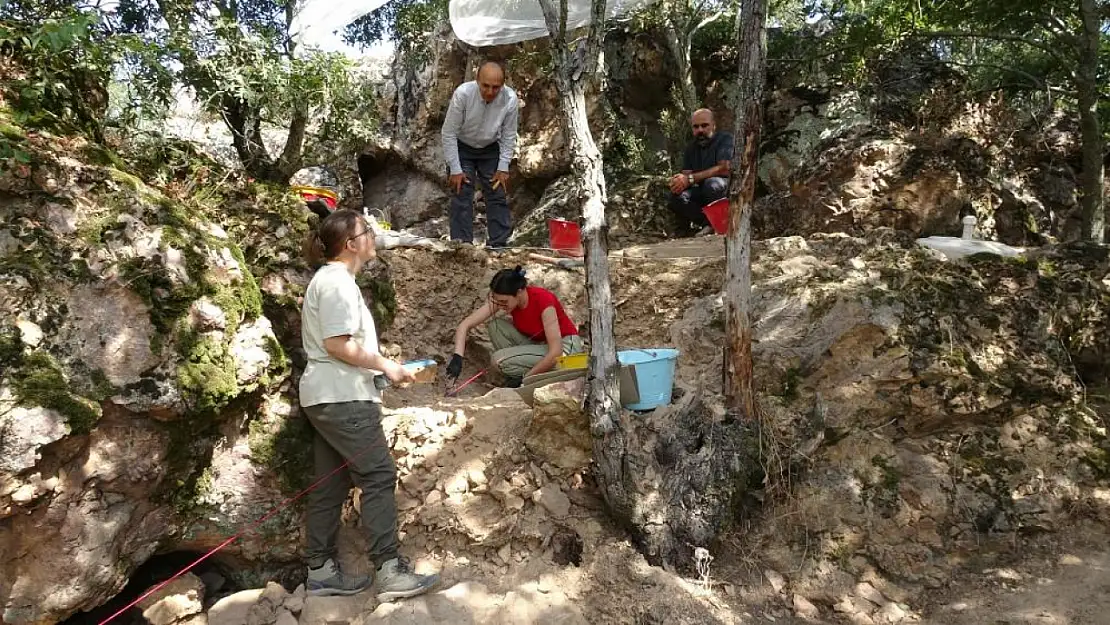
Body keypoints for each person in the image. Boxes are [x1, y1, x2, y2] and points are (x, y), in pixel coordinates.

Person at [298, 208, 439, 600]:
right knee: (377, 476)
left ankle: (321, 570)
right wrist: (388, 367)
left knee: (330, 484)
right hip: (344, 397)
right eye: (368, 231)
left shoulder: (330, 280)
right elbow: (337, 344)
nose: (373, 237)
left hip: (327, 396)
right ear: (351, 244)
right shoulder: (337, 283)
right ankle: (390, 571)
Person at [446, 266, 584, 389]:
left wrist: (526, 380)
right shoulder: (508, 300)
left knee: (498, 360)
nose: (500, 306)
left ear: (519, 292)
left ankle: (532, 378)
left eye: (503, 302)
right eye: (497, 302)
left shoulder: (543, 301)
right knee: (496, 326)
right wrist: (457, 358)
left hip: (566, 350)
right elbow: (465, 325)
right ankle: (518, 376)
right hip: (541, 346)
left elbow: (556, 352)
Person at [441, 60, 520, 250]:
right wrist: (456, 168)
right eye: (486, 86)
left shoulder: (509, 99)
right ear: (477, 80)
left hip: (490, 147)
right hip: (462, 146)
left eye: (496, 87)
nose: (490, 92)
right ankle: (462, 246)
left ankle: (498, 244)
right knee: (461, 191)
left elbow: (509, 134)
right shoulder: (463, 94)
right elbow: (449, 132)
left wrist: (503, 167)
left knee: (497, 192)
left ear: (502, 85)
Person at [668, 108, 734, 236]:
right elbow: (686, 175)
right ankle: (707, 224)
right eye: (696, 127)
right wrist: (679, 181)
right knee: (676, 196)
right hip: (703, 191)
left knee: (712, 184)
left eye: (704, 125)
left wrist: (691, 179)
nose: (700, 130)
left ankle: (722, 226)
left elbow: (724, 168)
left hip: (725, 190)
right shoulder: (691, 148)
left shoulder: (725, 139)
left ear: (714, 125)